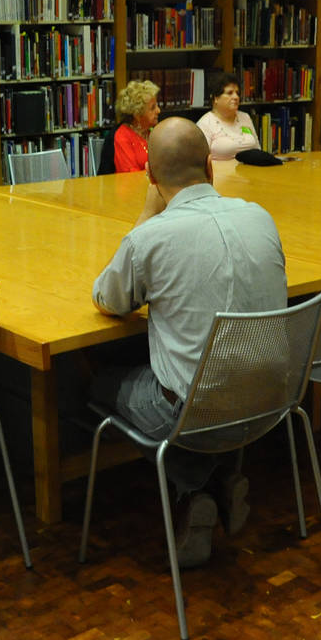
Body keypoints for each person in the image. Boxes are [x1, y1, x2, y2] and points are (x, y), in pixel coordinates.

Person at [91, 117, 285, 567]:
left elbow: (107, 299)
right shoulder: (260, 216)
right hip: (273, 400)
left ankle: (196, 487)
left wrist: (146, 215)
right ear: (210, 166)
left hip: (196, 414)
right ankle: (213, 483)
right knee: (197, 378)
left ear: (151, 178)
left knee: (96, 384)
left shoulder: (151, 238)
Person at [196, 72, 261, 161]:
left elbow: (258, 149)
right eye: (230, 93)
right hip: (220, 170)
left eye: (237, 93)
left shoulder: (245, 117)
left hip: (251, 169)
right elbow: (201, 162)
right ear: (216, 98)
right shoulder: (205, 124)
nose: (236, 97)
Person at [108, 79, 162, 173]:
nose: (158, 111)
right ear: (137, 114)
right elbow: (131, 175)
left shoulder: (152, 132)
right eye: (152, 108)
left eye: (157, 105)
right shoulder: (122, 136)